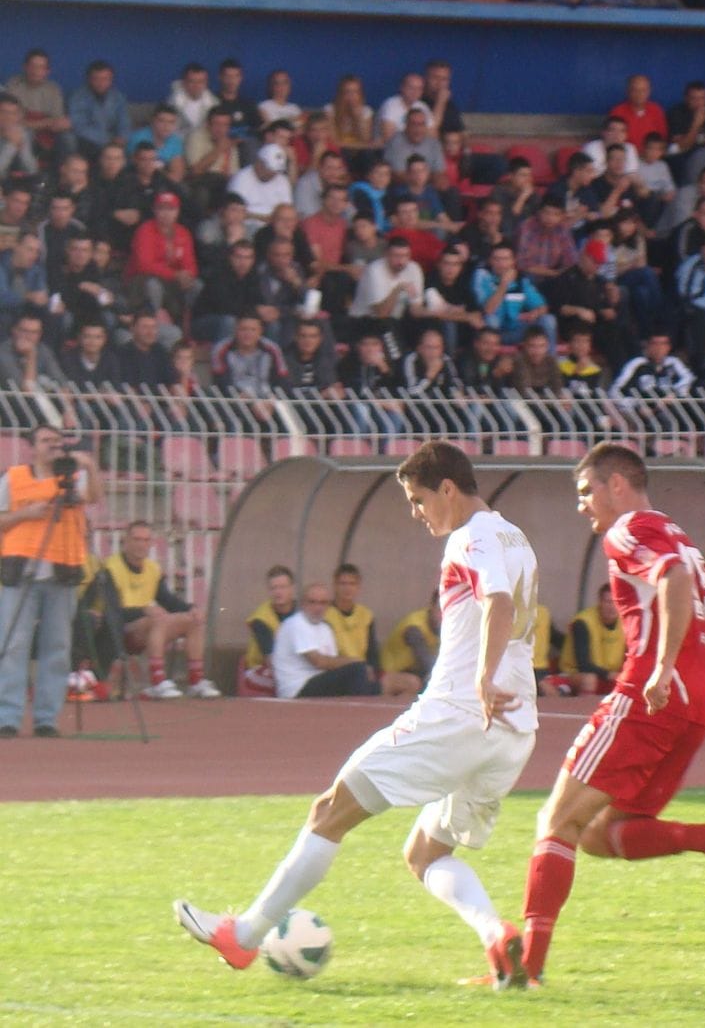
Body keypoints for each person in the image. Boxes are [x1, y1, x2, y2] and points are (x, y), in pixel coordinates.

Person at [175, 441, 542, 989]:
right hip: (514, 731)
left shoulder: (472, 537)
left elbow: (499, 602)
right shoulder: (515, 536)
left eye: (418, 500)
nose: (416, 513)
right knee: (425, 854)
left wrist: (484, 679)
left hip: (459, 714)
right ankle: (497, 938)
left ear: (447, 489)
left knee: (330, 811)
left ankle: (244, 936)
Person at [517, 443, 705, 987]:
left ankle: (525, 971)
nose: (582, 504)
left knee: (555, 823)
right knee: (604, 833)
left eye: (587, 491)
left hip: (649, 700)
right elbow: (681, 577)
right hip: (696, 710)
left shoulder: (627, 530)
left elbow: (671, 579)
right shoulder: (681, 536)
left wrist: (661, 667)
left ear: (617, 484)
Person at [0, 424, 102, 738]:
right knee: (13, 645)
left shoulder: (71, 476)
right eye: (45, 440)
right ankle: (8, 716)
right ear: (32, 446)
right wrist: (25, 514)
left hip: (62, 569)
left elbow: (94, 496)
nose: (53, 446)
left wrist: (89, 467)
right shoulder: (14, 477)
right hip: (22, 569)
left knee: (57, 646)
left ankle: (47, 718)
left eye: (57, 441)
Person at [105, 520, 218, 700]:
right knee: (159, 619)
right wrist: (144, 610)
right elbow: (111, 611)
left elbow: (167, 600)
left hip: (151, 625)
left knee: (194, 621)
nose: (141, 545)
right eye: (136, 539)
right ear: (125, 541)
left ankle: (196, 681)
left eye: (145, 540)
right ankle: (157, 682)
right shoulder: (111, 568)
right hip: (122, 629)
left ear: (151, 543)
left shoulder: (152, 568)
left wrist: (192, 608)